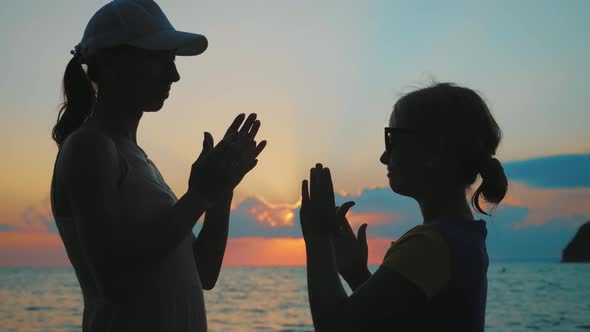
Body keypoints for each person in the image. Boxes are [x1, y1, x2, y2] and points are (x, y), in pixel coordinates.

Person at [49, 1, 266, 331]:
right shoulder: (89, 148)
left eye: (173, 61)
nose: (175, 75)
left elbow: (203, 273)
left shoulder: (138, 159)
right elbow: (114, 281)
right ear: (111, 63)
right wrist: (197, 196)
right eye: (160, 59)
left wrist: (219, 194)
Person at [300, 82, 508, 331]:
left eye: (392, 140)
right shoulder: (461, 237)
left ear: (434, 151)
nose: (384, 157)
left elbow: (334, 326)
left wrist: (318, 238)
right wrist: (357, 274)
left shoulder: (429, 245)